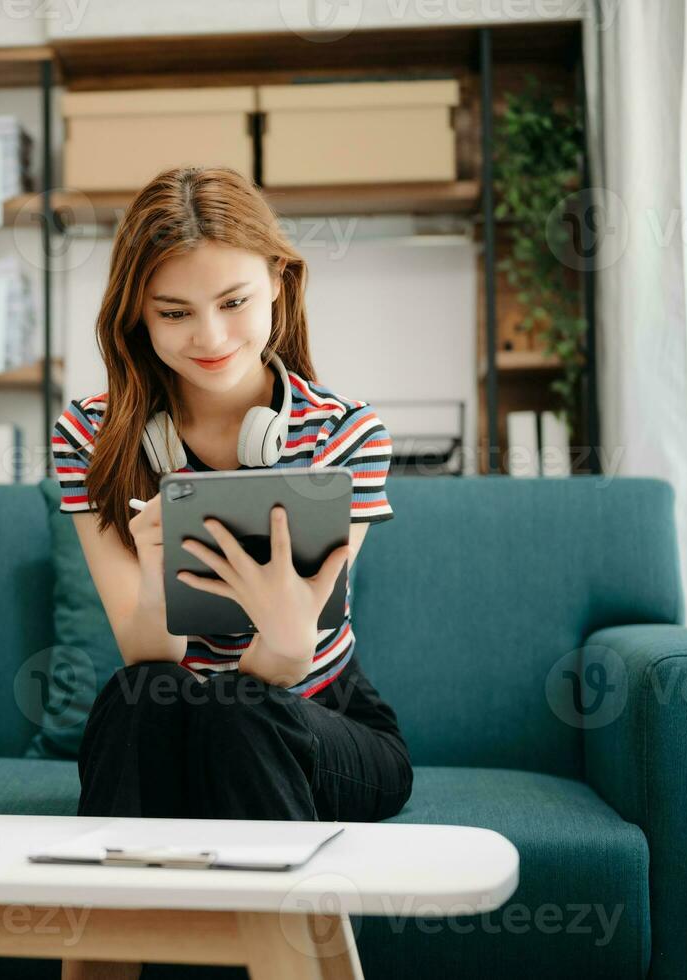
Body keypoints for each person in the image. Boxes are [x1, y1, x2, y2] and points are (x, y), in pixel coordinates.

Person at [51, 166, 413, 980]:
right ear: (135, 317)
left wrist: (275, 639)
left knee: (244, 708)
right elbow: (145, 657)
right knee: (136, 700)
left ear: (280, 286)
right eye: (173, 313)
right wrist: (154, 577)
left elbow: (285, 665)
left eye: (234, 302)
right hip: (175, 715)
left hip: (321, 718)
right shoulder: (91, 435)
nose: (209, 336)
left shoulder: (346, 435)